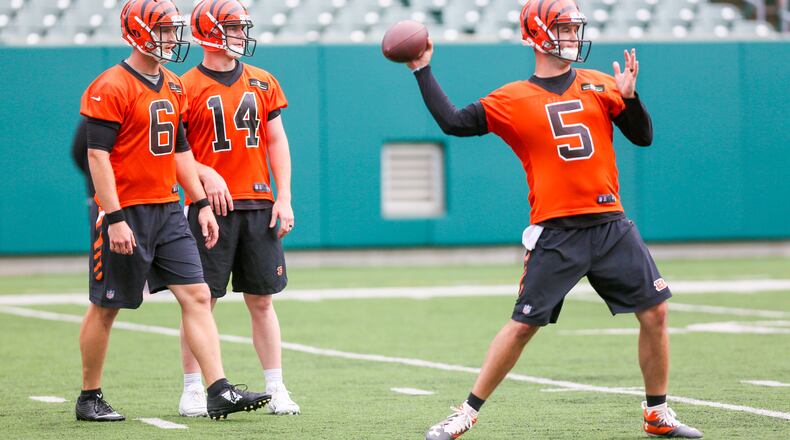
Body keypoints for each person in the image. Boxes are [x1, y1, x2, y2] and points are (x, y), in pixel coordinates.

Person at [412, 1, 703, 438]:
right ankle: (466, 412)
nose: (572, 37)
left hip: (610, 223)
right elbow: (454, 123)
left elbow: (643, 138)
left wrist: (630, 98)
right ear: (537, 34)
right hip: (557, 229)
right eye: (564, 29)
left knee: (656, 312)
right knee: (523, 326)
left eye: (573, 29)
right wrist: (422, 69)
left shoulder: (602, 84)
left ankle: (656, 413)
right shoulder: (511, 98)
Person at [76, 0, 269, 422]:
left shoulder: (173, 85)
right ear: (136, 32)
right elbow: (96, 157)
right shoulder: (110, 85)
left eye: (170, 30)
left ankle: (218, 389)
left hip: (167, 210)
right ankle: (89, 396)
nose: (169, 39)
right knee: (107, 307)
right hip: (127, 210)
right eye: (161, 31)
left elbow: (181, 149)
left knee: (198, 295)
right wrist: (114, 217)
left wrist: (199, 201)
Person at [174, 0, 299, 417]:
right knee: (201, 302)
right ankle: (194, 388)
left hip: (258, 203)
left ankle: (276, 386)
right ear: (210, 31)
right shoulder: (183, 86)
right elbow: (172, 152)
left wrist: (284, 197)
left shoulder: (263, 81)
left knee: (262, 300)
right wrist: (204, 177)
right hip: (209, 208)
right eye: (233, 27)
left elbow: (276, 140)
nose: (242, 34)